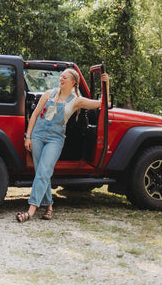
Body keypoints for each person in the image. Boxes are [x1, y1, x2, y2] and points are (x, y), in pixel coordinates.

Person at [16, 69, 110, 222]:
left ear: (73, 82)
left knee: (44, 170)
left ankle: (31, 210)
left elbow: (103, 104)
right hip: (38, 135)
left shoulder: (76, 100)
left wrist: (106, 84)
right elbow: (34, 115)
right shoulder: (48, 94)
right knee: (41, 172)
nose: (61, 79)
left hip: (55, 138)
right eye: (61, 76)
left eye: (64, 77)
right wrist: (28, 136)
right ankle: (49, 207)